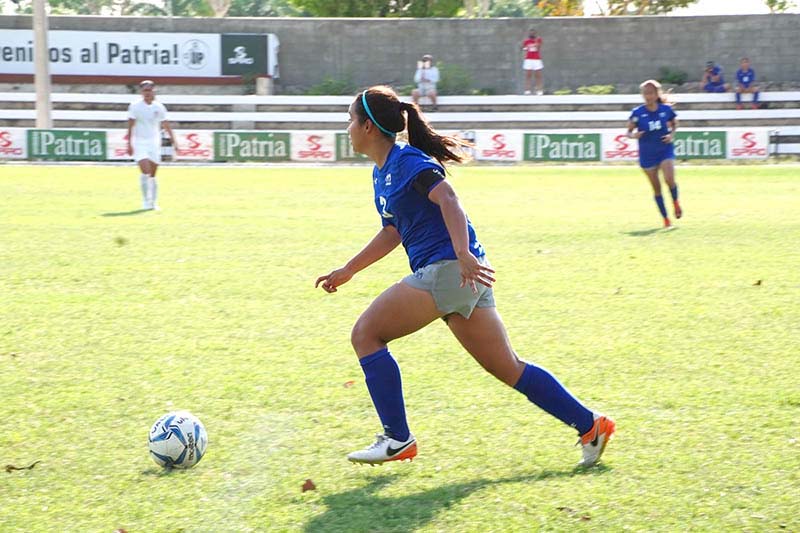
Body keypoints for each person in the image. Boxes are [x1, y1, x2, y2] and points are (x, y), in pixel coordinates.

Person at [315, 85, 615, 467]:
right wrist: (349, 270)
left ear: (369, 127)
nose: (347, 129)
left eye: (350, 121)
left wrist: (462, 255)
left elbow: (450, 199)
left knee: (366, 334)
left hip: (449, 270)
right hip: (459, 274)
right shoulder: (383, 172)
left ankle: (397, 438)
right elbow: (393, 231)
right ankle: (591, 425)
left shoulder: (408, 161)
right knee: (507, 367)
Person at [627, 79, 682, 228]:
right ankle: (665, 219)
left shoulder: (665, 110)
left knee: (669, 179)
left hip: (664, 149)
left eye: (651, 93)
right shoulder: (637, 113)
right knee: (656, 188)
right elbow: (628, 132)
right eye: (645, 93)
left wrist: (672, 135)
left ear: (657, 94)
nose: (648, 96)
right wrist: (634, 135)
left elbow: (675, 123)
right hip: (647, 153)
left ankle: (675, 202)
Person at [126, 80, 177, 211]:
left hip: (154, 142)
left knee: (153, 174)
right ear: (141, 92)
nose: (147, 93)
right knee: (145, 171)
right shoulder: (135, 106)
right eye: (145, 90)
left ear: (154, 91)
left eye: (149, 90)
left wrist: (174, 141)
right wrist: (129, 143)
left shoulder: (159, 107)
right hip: (139, 142)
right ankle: (145, 200)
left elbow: (166, 124)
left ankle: (153, 202)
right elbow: (131, 124)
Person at [521, 28, 544, 95]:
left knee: (538, 75)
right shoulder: (526, 41)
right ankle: (527, 90)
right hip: (528, 59)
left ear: (535, 34)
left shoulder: (538, 40)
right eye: (531, 33)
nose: (532, 34)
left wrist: (534, 43)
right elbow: (524, 48)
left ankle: (539, 90)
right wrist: (525, 48)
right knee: (528, 75)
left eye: (533, 33)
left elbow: (538, 46)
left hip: (537, 59)